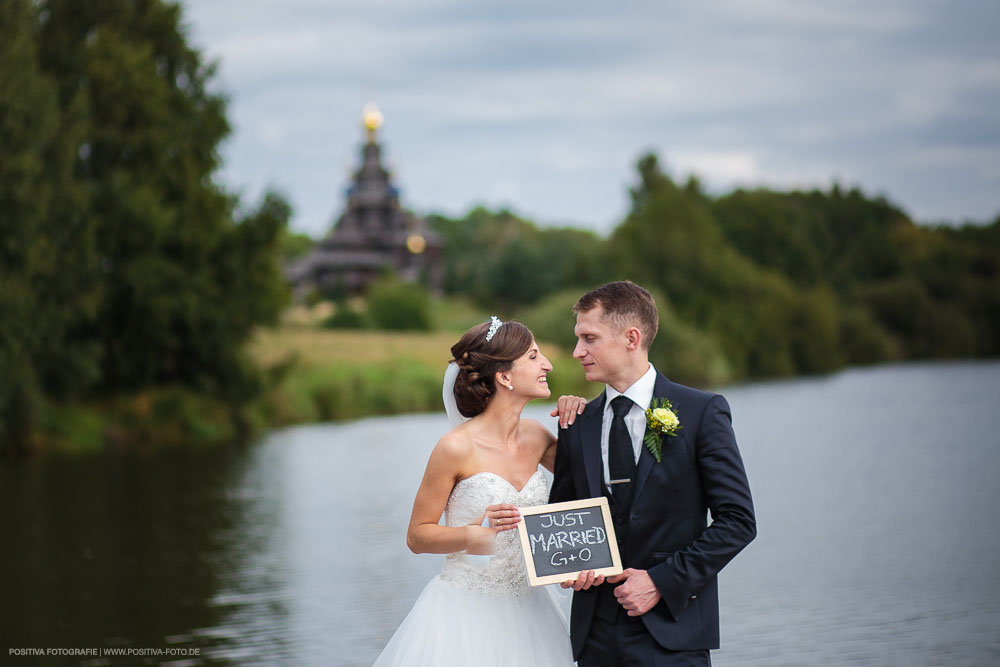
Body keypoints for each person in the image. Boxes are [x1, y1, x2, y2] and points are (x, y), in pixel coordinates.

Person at [549, 281, 756, 666]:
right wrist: (571, 564)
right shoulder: (577, 423)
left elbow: (738, 521)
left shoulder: (701, 412)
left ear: (631, 337)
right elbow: (565, 516)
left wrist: (660, 581)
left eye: (589, 338)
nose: (578, 351)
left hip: (673, 633)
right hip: (594, 637)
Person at [372, 316, 574, 666]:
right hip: (467, 613)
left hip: (532, 608)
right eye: (533, 356)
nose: (547, 364)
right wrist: (474, 536)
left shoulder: (538, 436)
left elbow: (592, 481)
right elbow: (417, 537)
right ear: (504, 377)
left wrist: (580, 416)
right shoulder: (454, 448)